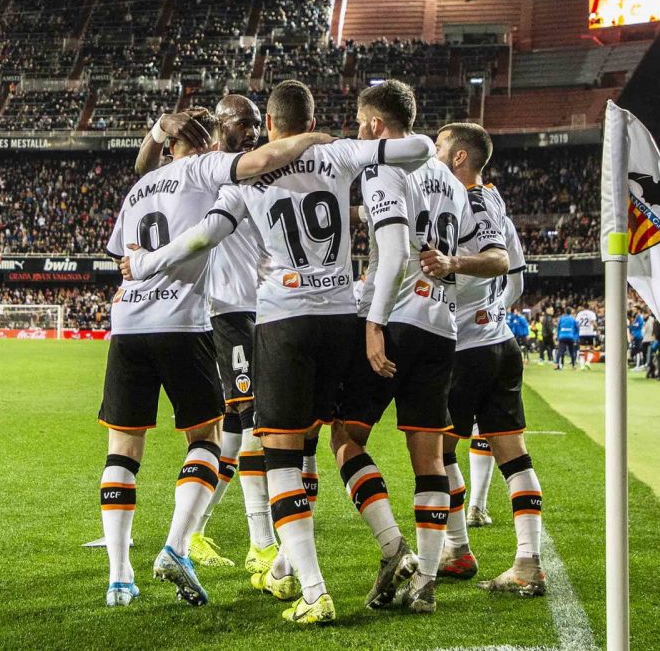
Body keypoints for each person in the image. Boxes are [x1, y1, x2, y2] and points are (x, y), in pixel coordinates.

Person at [121, 80, 438, 624]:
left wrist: (145, 265)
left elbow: (203, 235)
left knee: (283, 458)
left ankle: (313, 589)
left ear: (270, 125)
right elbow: (422, 148)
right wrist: (357, 146)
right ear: (311, 118)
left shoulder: (248, 173)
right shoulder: (337, 154)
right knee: (330, 443)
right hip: (341, 319)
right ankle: (373, 553)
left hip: (284, 322)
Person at [100, 108, 332, 608]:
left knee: (123, 451)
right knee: (215, 435)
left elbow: (125, 242)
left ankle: (120, 576)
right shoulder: (210, 169)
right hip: (194, 321)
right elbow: (262, 160)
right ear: (207, 139)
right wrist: (315, 137)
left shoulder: (141, 189)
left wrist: (159, 129)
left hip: (128, 324)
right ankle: (191, 543)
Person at [332, 79, 466, 614]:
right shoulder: (450, 180)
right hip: (442, 324)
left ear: (375, 126)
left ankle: (394, 548)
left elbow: (393, 254)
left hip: (397, 319)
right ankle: (426, 582)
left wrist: (373, 321)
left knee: (345, 436)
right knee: (429, 456)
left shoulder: (384, 165)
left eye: (362, 123)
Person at [136, 97, 276, 574]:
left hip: (253, 309)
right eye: (246, 122)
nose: (255, 130)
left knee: (234, 431)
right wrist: (159, 131)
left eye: (258, 122)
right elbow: (144, 171)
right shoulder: (202, 168)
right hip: (223, 311)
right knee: (252, 419)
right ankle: (261, 541)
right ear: (221, 126)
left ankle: (192, 531)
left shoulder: (246, 170)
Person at [424, 122, 546, 597]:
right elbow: (515, 273)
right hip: (499, 342)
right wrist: (493, 311)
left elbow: (492, 264)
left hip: (464, 350)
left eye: (438, 147)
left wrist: (453, 279)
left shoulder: (466, 203)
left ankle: (457, 549)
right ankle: (527, 560)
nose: (433, 153)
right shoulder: (494, 202)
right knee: (513, 454)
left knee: (439, 452)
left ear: (459, 158)